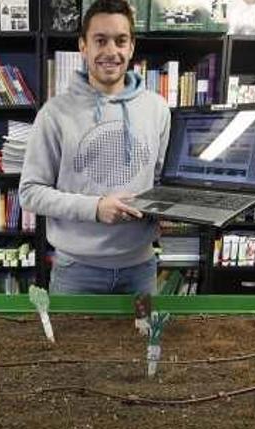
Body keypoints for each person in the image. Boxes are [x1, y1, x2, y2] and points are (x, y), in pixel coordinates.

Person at [19, 0, 170, 295]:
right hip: (76, 272)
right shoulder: (54, 114)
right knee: (74, 344)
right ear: (83, 47)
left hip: (141, 268)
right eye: (100, 40)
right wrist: (95, 208)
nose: (111, 51)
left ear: (132, 47)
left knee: (144, 342)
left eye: (120, 40)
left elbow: (162, 181)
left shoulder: (158, 109)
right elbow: (30, 192)